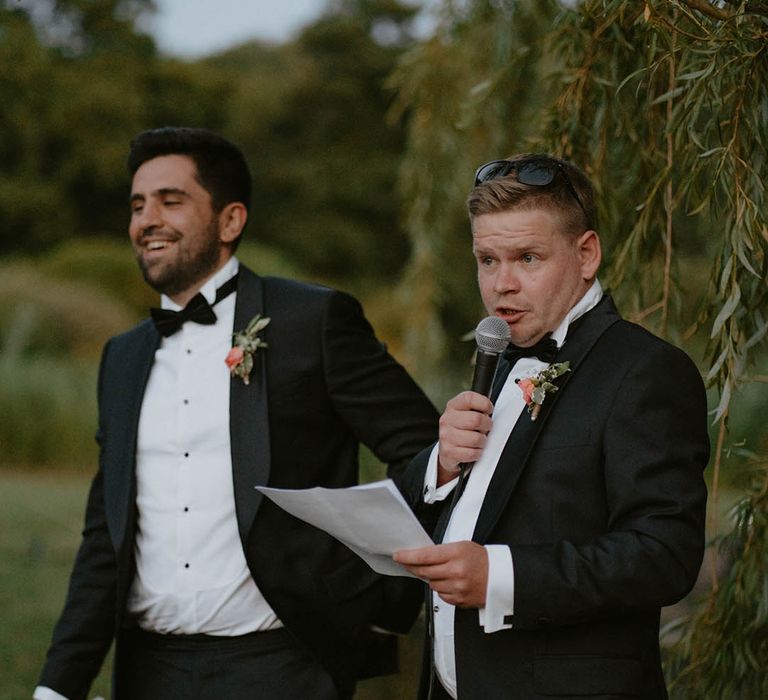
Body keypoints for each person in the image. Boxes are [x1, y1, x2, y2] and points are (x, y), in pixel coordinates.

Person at [35, 126, 439, 700]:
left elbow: (429, 455)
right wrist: (58, 686)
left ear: (230, 221)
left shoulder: (311, 321)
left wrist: (378, 591)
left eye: (171, 201)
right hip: (151, 671)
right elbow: (107, 534)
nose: (147, 218)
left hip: (284, 665)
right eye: (137, 205)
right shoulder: (121, 358)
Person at [394, 154, 710, 699]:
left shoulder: (644, 370)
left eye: (527, 258)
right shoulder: (495, 359)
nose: (502, 285)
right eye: (487, 260)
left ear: (586, 255)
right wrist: (442, 465)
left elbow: (664, 556)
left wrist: (501, 575)